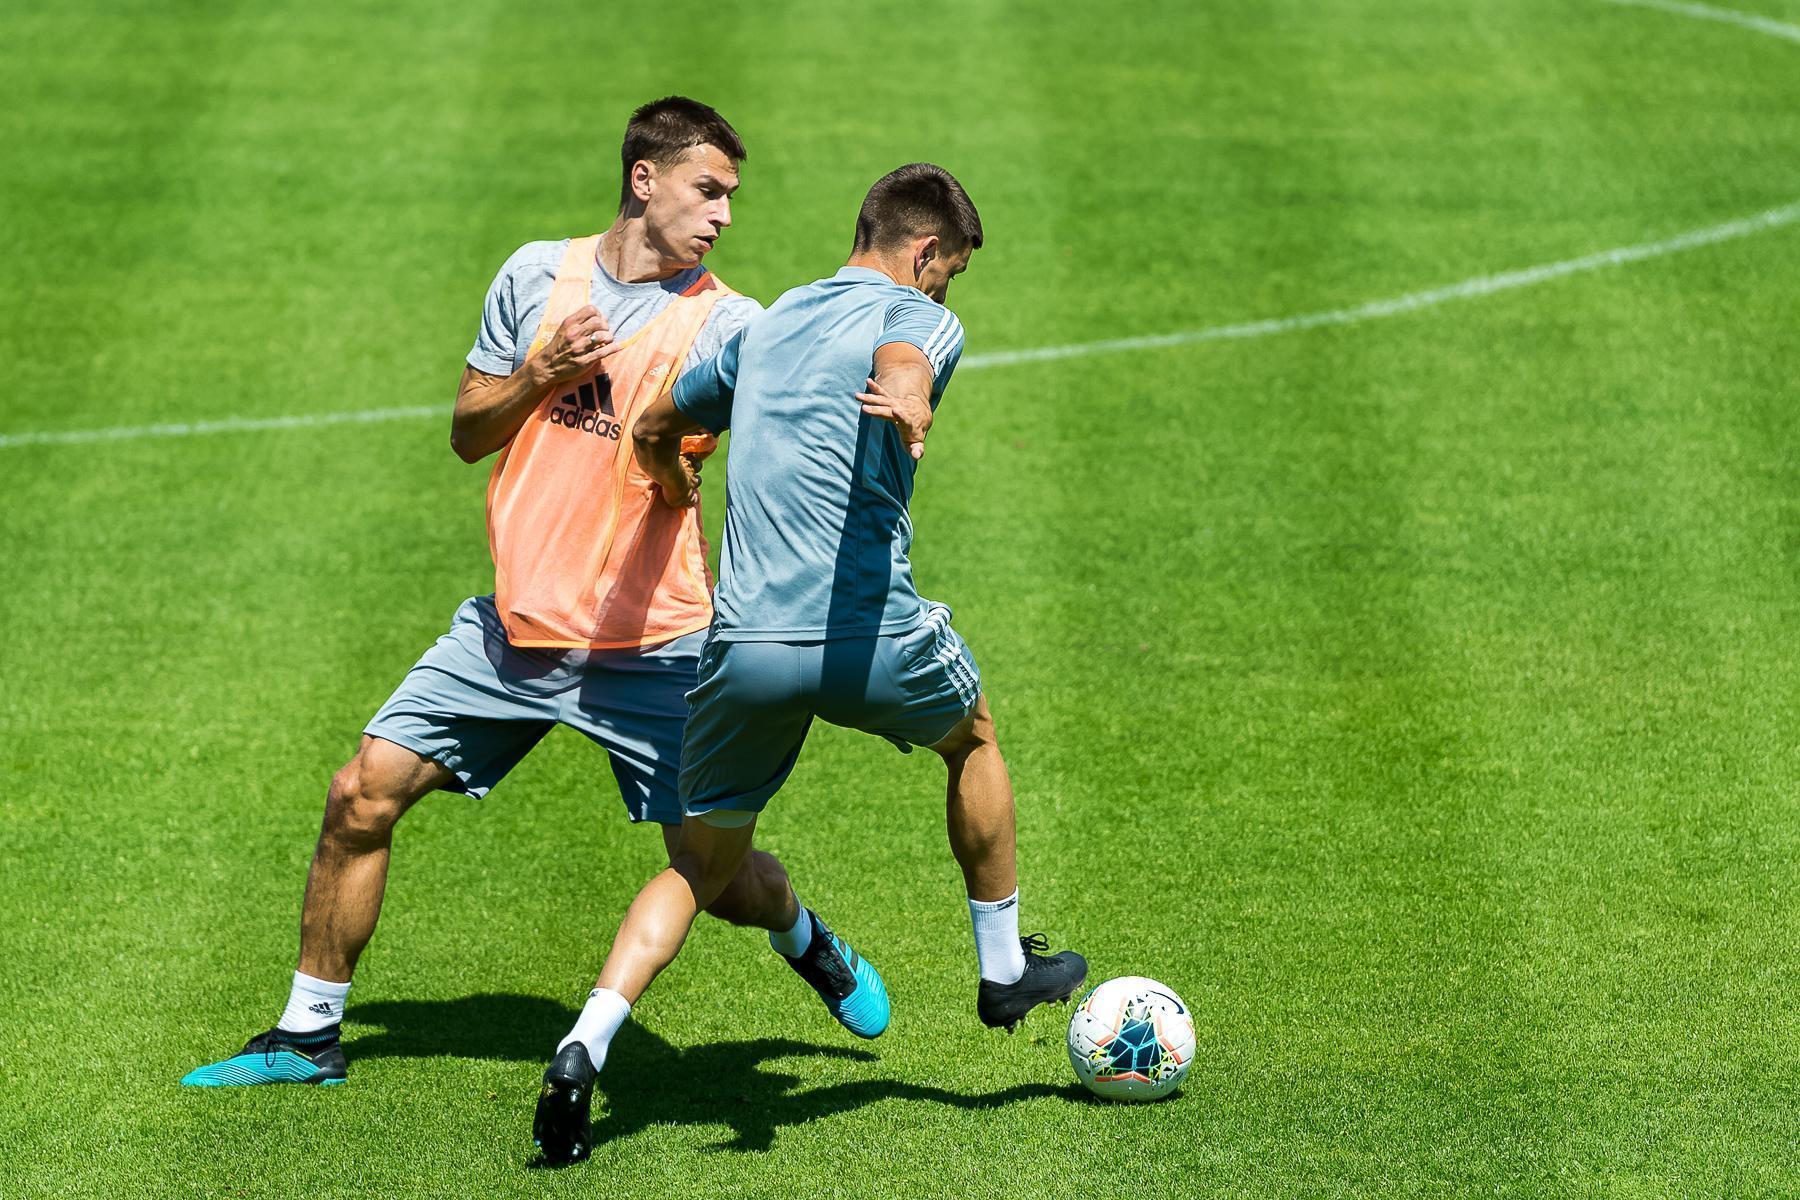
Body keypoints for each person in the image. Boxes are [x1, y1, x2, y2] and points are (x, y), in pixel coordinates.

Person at [180, 97, 884, 1090]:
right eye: (708, 190)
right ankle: (307, 1038)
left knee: (717, 876)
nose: (725, 214)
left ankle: (803, 935)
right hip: (512, 633)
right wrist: (539, 374)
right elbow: (470, 432)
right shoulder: (535, 275)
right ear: (644, 179)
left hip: (657, 647)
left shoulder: (730, 325)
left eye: (731, 196)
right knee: (359, 797)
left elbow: (727, 461)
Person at [529, 162, 1086, 1165]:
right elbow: (906, 353)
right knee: (974, 739)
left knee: (700, 865)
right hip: (870, 639)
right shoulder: (919, 315)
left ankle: (585, 1043)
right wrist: (909, 402)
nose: (944, 291)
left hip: (743, 649)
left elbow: (655, 423)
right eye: (948, 273)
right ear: (925, 252)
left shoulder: (765, 323)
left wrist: (671, 474)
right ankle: (1004, 970)